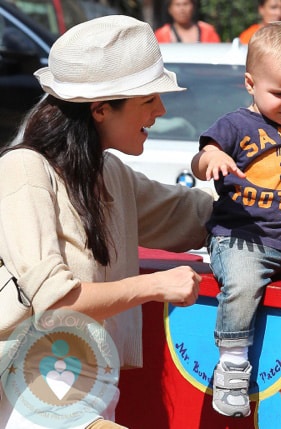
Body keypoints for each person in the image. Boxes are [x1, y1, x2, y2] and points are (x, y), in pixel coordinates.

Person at [0, 15, 213, 429]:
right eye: (149, 99)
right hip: (33, 392)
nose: (162, 110)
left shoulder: (109, 173)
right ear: (100, 109)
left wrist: (278, 194)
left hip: (92, 392)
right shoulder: (22, 171)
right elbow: (56, 299)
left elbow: (193, 215)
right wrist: (156, 285)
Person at [191, 21, 281, 418]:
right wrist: (213, 160)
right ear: (250, 83)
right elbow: (200, 157)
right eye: (279, 93)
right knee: (239, 285)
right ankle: (233, 364)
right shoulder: (236, 125)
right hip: (243, 240)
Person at [154, 0, 220, 43]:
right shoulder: (161, 35)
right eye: (177, 5)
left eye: (185, 4)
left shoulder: (208, 31)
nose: (182, 9)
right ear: (170, 9)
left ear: (193, 7)